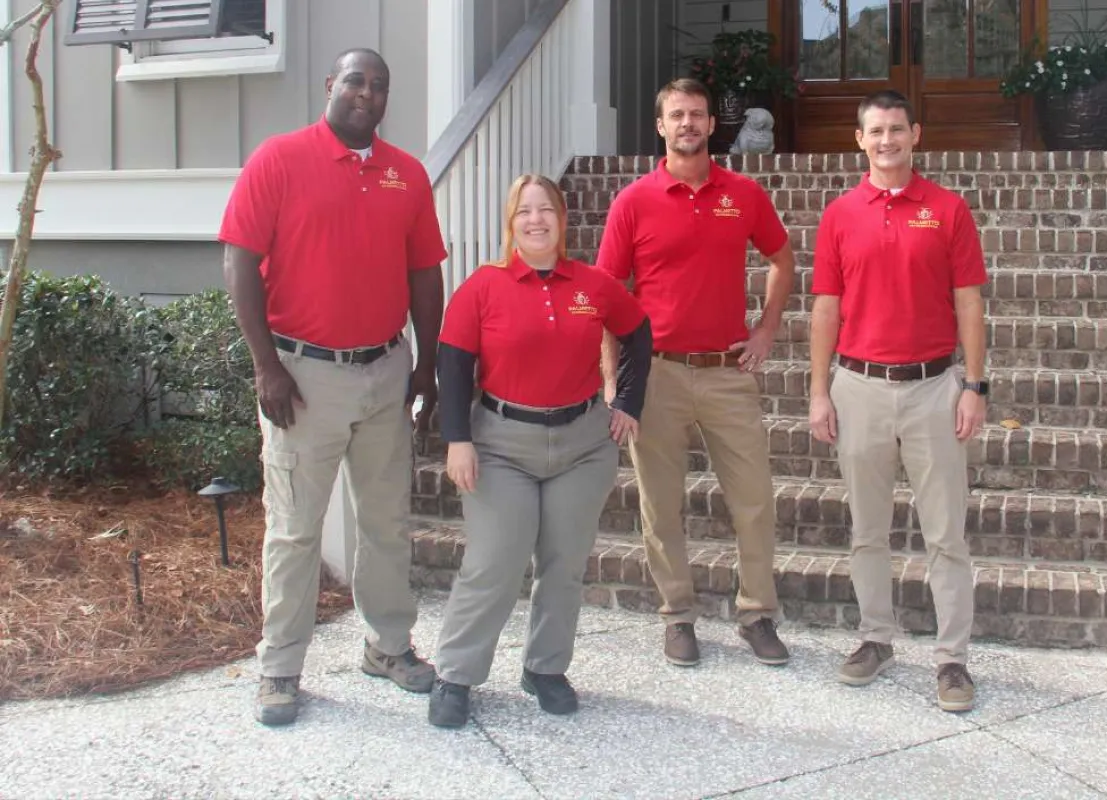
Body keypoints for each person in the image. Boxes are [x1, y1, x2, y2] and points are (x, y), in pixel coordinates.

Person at [218, 48, 446, 726]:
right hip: (302, 378)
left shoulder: (407, 174)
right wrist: (266, 365)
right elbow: (238, 261)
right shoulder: (279, 160)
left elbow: (426, 275)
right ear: (329, 86)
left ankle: (388, 646)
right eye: (355, 80)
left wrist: (425, 367)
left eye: (379, 84)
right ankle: (281, 668)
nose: (367, 93)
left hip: (384, 373)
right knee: (294, 530)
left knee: (386, 524)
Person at [427, 174, 651, 729]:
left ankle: (546, 669)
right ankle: (455, 674)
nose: (536, 219)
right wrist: (457, 439)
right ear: (511, 223)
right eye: (524, 211)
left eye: (546, 209)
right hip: (501, 444)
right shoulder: (483, 286)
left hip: (582, 444)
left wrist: (627, 402)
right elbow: (452, 366)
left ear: (562, 218)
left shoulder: (592, 285)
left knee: (564, 563)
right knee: (494, 561)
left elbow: (639, 331)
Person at [595, 78, 796, 668]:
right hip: (655, 374)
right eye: (677, 115)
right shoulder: (633, 201)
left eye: (698, 115)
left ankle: (758, 614)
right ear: (660, 126)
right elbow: (607, 296)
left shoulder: (743, 194)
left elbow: (782, 260)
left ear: (712, 126)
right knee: (661, 505)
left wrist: (765, 329)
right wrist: (612, 382)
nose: (688, 123)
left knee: (754, 500)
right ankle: (678, 616)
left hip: (728, 372)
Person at [808, 89, 987, 712]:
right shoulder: (839, 215)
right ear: (860, 140)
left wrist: (974, 384)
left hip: (935, 388)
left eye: (897, 130)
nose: (887, 141)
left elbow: (968, 300)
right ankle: (875, 638)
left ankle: (952, 660)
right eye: (875, 132)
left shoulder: (948, 209)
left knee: (945, 533)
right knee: (868, 530)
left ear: (916, 134)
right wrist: (818, 391)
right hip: (857, 388)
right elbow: (826, 307)